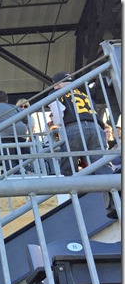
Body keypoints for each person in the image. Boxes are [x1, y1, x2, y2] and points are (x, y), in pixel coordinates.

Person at [48, 72, 116, 217]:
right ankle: (114, 203)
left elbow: (58, 116)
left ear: (57, 84)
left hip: (74, 128)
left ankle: (73, 201)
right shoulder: (83, 93)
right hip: (96, 128)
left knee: (68, 167)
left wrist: (58, 127)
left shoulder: (58, 93)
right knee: (102, 167)